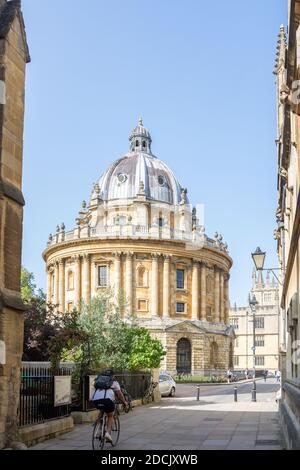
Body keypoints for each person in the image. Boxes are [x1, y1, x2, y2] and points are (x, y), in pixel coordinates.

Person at [92, 369, 127, 444]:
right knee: (110, 415)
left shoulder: (98, 380)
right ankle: (108, 433)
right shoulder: (114, 382)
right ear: (113, 375)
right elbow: (119, 394)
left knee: (102, 410)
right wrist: (124, 402)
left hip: (95, 400)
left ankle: (99, 429)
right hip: (107, 400)